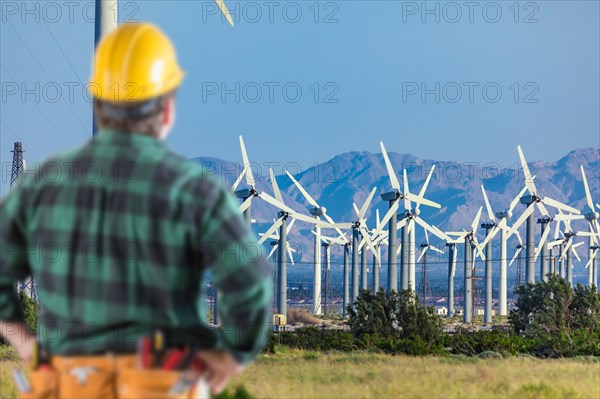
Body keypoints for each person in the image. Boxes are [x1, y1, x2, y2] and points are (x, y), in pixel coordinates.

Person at [0, 22, 272, 398]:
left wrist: (29, 347)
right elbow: (251, 282)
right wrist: (225, 360)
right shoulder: (196, 191)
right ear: (167, 108)